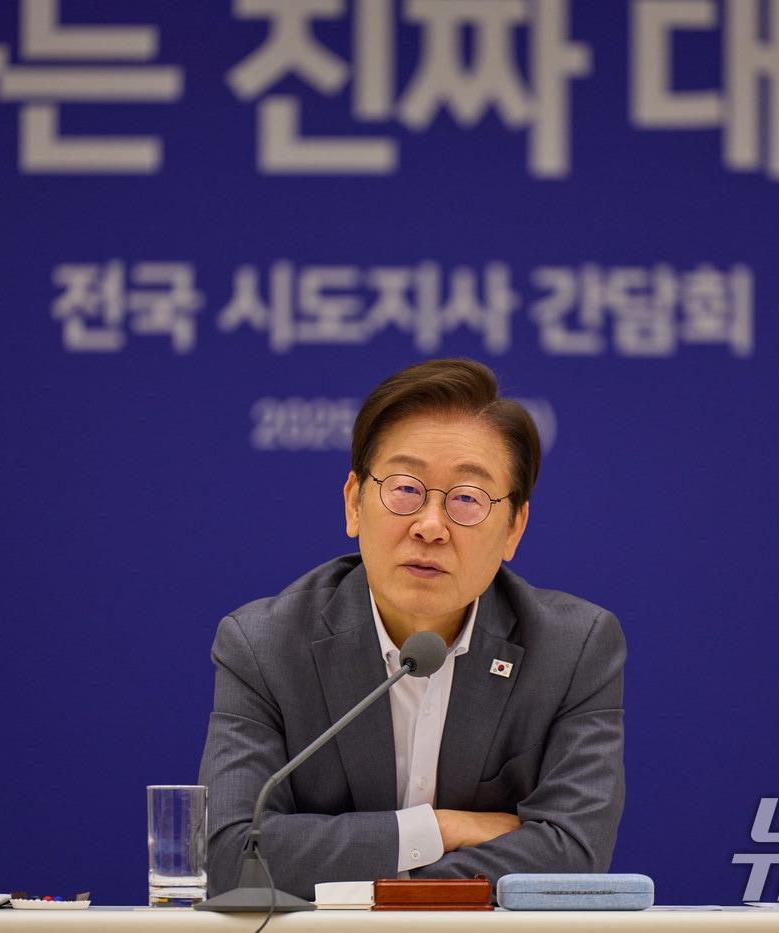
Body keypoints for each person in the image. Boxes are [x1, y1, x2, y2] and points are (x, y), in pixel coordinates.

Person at [198, 358, 625, 900]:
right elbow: (231, 856)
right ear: (354, 503)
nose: (430, 526)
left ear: (514, 528)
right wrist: (437, 830)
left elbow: (574, 854)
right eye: (405, 489)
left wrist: (376, 885)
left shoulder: (572, 649)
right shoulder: (264, 646)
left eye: (467, 499)